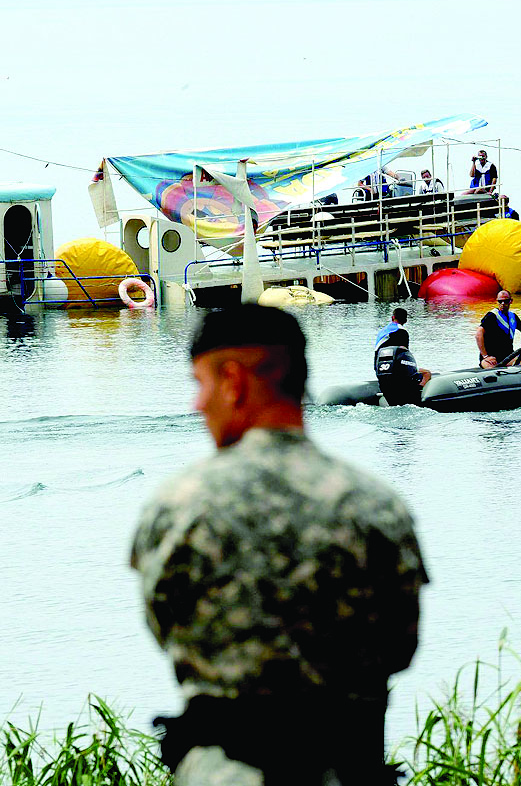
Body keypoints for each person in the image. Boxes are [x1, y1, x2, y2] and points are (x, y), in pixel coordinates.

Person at [131, 305, 428, 786]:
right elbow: (401, 646)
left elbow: (165, 627)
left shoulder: (180, 506)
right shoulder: (377, 505)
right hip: (350, 767)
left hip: (224, 771)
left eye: (200, 383)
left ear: (232, 381)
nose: (197, 404)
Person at [475, 291, 521, 368]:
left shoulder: (513, 317)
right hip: (491, 358)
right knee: (491, 369)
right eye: (500, 301)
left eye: (506, 301)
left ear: (511, 301)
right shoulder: (492, 316)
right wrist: (485, 356)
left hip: (508, 356)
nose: (503, 304)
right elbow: (478, 335)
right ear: (497, 301)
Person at [375, 307, 432, 386]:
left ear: (393, 317)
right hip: (398, 371)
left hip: (379, 370)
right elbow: (405, 353)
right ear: (405, 320)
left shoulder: (382, 332)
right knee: (427, 373)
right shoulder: (402, 331)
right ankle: (418, 392)